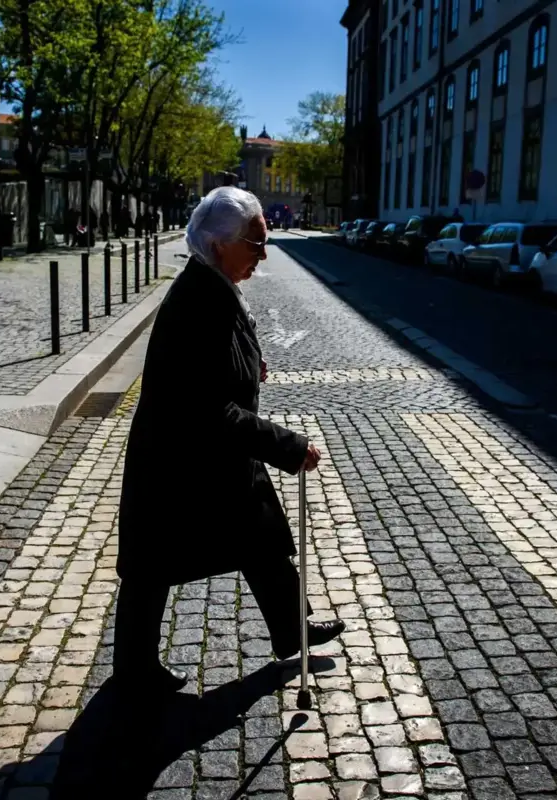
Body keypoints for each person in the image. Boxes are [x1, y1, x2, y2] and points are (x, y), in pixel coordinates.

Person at [114, 186, 345, 691]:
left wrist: (248, 362)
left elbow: (223, 358)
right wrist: (288, 446)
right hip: (181, 458)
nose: (263, 255)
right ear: (220, 243)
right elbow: (208, 407)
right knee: (151, 562)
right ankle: (133, 672)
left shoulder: (211, 283)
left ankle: (292, 628)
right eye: (255, 243)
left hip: (208, 455)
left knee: (261, 535)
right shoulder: (199, 300)